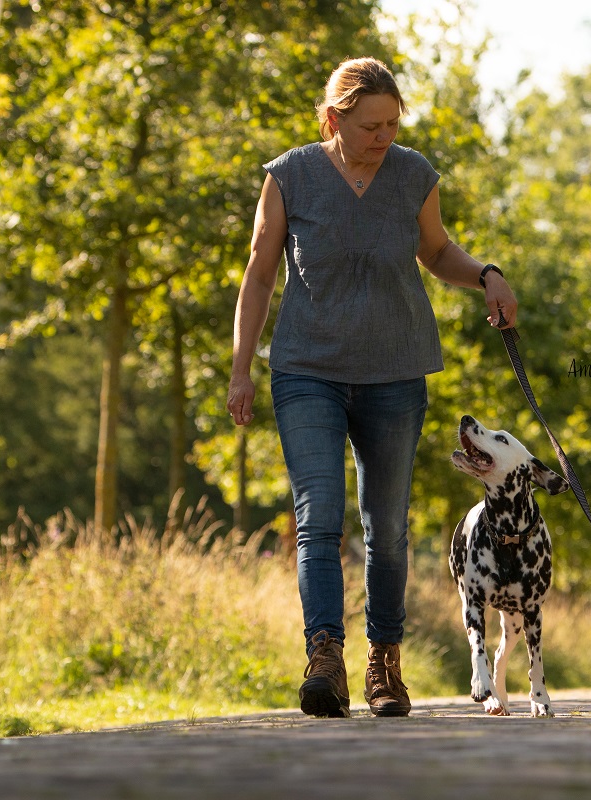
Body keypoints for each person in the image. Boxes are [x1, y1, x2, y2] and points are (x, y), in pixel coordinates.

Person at [226, 57, 519, 719]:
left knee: (386, 528)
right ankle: (323, 658)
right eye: (368, 126)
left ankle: (384, 662)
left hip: (395, 371)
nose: (383, 136)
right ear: (333, 119)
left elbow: (437, 251)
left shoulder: (412, 173)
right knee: (317, 516)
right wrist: (241, 368)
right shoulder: (290, 176)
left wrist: (486, 275)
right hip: (307, 370)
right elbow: (260, 273)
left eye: (392, 123)